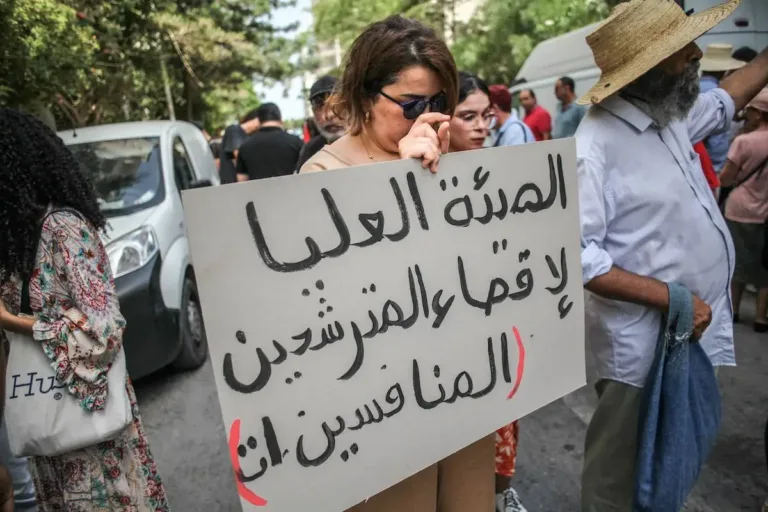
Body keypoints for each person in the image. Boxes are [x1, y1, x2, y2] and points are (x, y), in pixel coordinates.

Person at [574, 0, 768, 509]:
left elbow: (727, 98)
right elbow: (579, 256)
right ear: (654, 66)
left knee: (665, 464)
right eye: (685, 50)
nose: (698, 56)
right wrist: (673, 297)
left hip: (683, 335)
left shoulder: (667, 118)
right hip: (640, 349)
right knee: (619, 479)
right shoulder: (594, 147)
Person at [301, 15, 494, 512]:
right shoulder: (321, 171)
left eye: (437, 104)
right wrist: (402, 180)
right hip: (385, 409)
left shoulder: (453, 153)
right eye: (411, 105)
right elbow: (336, 304)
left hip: (462, 388)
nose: (427, 117)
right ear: (367, 98)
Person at [0, 108, 170, 511]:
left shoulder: (65, 229)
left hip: (92, 432)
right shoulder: (12, 241)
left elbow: (105, 331)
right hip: (42, 423)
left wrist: (10, 320)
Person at [449, 72, 528, 512]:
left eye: (487, 116)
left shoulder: (503, 176)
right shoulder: (414, 177)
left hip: (497, 330)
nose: (482, 126)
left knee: (499, 425)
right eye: (468, 116)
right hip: (449, 341)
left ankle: (496, 493)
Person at [718, 89, 768, 331]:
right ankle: (760, 317)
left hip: (739, 209)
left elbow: (726, 179)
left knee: (735, 262)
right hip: (765, 213)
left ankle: (734, 310)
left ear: (758, 113)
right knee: (764, 266)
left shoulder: (743, 141)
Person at [700, 43, 746, 172]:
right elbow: (711, 133)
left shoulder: (694, 88)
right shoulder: (718, 93)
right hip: (710, 165)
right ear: (725, 71)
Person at [236, 103, 303, 181]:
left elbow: (242, 180)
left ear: (258, 120)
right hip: (292, 191)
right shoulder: (296, 142)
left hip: (258, 192)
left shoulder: (245, 146)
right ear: (280, 119)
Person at [296, 75, 346, 170]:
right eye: (319, 107)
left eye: (336, 104)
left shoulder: (372, 143)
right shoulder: (310, 150)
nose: (328, 115)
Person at [219, 109, 260, 184]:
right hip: (232, 183)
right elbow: (238, 156)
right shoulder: (234, 130)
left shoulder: (249, 136)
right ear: (256, 119)